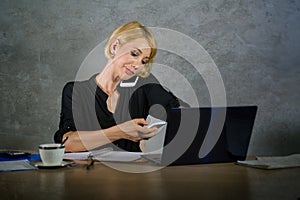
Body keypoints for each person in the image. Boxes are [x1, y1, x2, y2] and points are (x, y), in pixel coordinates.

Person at [54, 21, 186, 152]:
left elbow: (184, 113)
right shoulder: (77, 91)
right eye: (134, 54)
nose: (137, 65)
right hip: (87, 171)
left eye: (143, 61)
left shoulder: (144, 86)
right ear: (115, 46)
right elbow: (68, 143)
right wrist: (121, 131)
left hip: (133, 171)